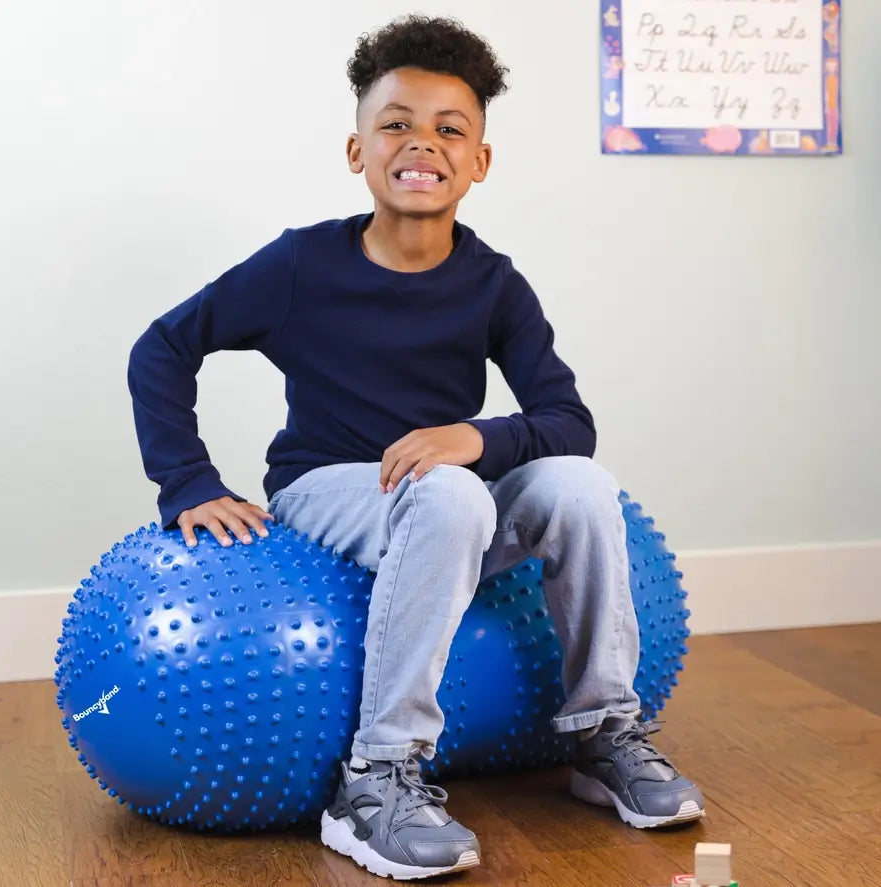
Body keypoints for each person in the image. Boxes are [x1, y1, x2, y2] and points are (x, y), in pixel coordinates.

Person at [128, 14, 705, 881]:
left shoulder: (493, 282)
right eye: (395, 123)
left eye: (449, 128)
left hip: (445, 493)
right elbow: (163, 347)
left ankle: (599, 731)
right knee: (451, 493)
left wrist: (476, 434)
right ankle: (376, 776)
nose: (420, 143)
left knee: (580, 484)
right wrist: (187, 481)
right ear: (358, 150)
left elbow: (565, 420)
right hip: (330, 489)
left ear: (478, 160)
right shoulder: (298, 267)